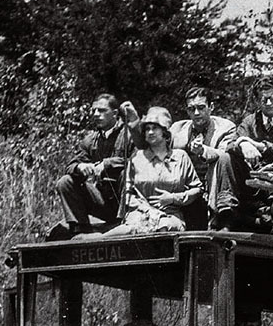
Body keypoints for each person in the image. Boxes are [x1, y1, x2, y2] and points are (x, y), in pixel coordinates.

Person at [214, 81, 273, 229]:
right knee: (225, 158)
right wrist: (243, 143)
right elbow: (230, 145)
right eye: (264, 100)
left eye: (272, 98)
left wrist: (261, 147)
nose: (268, 103)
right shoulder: (250, 121)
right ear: (257, 101)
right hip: (254, 179)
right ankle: (227, 215)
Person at [106, 107, 203, 234]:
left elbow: (197, 189)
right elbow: (128, 194)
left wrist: (173, 198)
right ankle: (93, 240)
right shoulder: (137, 158)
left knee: (163, 227)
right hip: (139, 214)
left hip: (170, 216)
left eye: (155, 128)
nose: (150, 132)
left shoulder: (180, 157)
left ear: (164, 131)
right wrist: (148, 210)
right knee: (130, 230)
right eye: (147, 129)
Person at [55, 93, 134, 235]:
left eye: (102, 110)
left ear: (115, 113)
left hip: (126, 201)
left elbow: (136, 161)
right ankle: (80, 227)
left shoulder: (129, 135)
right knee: (65, 181)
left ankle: (123, 222)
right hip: (101, 200)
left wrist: (106, 164)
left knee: (126, 172)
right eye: (94, 111)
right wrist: (80, 167)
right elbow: (70, 166)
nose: (96, 114)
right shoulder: (90, 140)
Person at [169, 86, 237, 229]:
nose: (196, 113)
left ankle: (223, 219)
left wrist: (203, 151)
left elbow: (224, 155)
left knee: (223, 159)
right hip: (187, 185)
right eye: (191, 109)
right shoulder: (177, 129)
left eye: (201, 107)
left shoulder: (226, 127)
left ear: (211, 107)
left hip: (214, 182)